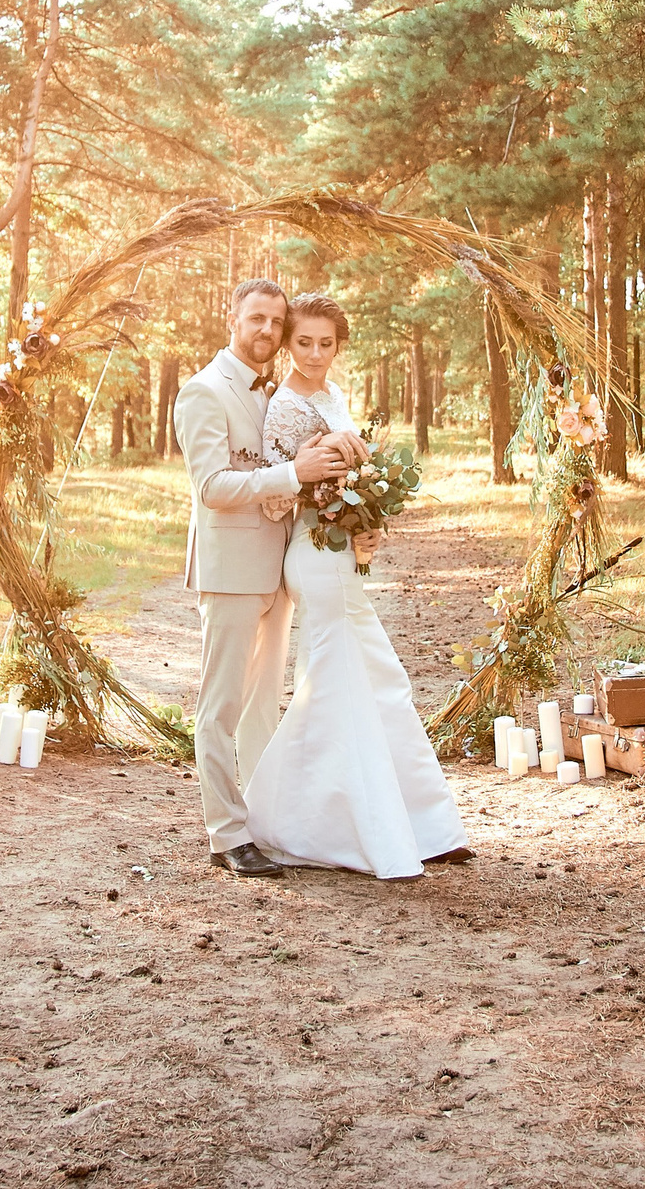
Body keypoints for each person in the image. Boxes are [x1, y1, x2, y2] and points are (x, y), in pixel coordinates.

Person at [242, 292, 470, 879]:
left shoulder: (334, 396)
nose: (315, 354)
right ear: (289, 343)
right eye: (303, 342)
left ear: (339, 346)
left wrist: (366, 522)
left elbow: (352, 484)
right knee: (344, 687)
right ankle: (314, 825)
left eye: (326, 343)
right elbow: (275, 500)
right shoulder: (285, 408)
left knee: (379, 684)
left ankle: (423, 825)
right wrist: (316, 478)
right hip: (314, 560)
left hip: (342, 554)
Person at [173, 278, 349, 878]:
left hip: (277, 570)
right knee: (220, 706)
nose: (267, 332)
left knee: (263, 707)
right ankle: (225, 835)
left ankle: (262, 823)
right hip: (228, 572)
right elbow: (211, 488)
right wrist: (293, 475)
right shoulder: (203, 392)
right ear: (233, 317)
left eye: (276, 322)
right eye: (256, 319)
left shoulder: (274, 392)